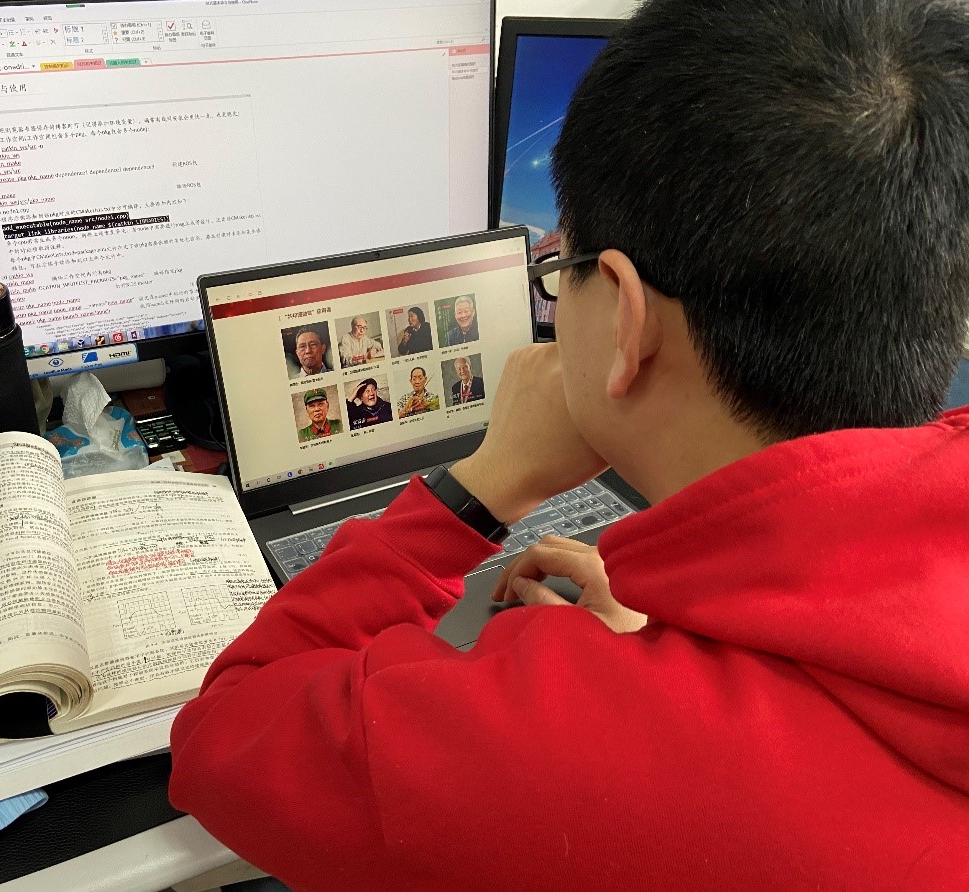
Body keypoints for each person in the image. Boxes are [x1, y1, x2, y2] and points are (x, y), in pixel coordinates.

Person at [170, 0, 969, 888]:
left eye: (558, 274)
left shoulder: (556, 752)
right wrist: (675, 639)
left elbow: (227, 735)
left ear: (626, 317)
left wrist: (478, 487)